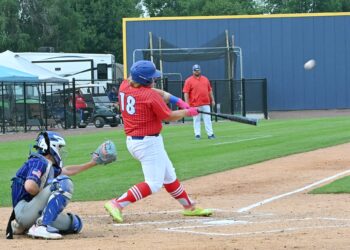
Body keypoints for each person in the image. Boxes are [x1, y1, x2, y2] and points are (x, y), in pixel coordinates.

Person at [104, 60, 212, 223]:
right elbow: (168, 116)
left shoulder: (125, 85)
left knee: (169, 176)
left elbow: (155, 91)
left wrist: (177, 100)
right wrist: (187, 111)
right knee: (154, 184)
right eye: (152, 78)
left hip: (136, 140)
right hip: (148, 143)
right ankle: (117, 204)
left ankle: (189, 207)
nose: (154, 80)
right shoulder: (149, 97)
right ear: (145, 80)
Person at [7, 131, 116, 240]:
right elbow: (30, 186)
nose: (60, 151)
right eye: (59, 148)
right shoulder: (39, 161)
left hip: (28, 213)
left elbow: (67, 170)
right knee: (64, 182)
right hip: (24, 211)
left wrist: (93, 162)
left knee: (76, 224)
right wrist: (45, 194)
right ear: (51, 147)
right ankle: (41, 226)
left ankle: (24, 227)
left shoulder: (47, 165)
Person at [183, 64, 216, 140]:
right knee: (196, 120)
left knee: (207, 119)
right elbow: (186, 93)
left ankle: (210, 134)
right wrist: (186, 104)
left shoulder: (205, 79)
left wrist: (213, 100)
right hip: (195, 104)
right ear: (193, 71)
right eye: (195, 70)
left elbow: (209, 90)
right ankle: (197, 135)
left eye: (198, 70)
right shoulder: (188, 80)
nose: (197, 71)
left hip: (206, 103)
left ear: (200, 70)